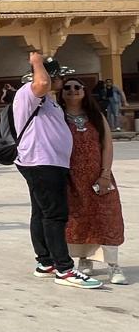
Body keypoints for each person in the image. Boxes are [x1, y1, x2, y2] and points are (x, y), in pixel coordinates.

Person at [14, 52, 101, 288]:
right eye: (59, 76)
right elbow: (41, 82)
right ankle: (64, 269)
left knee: (42, 213)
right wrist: (37, 61)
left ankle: (46, 262)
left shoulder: (48, 100)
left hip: (48, 163)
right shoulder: (30, 92)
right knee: (55, 215)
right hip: (41, 162)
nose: (62, 80)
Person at [60, 77, 127, 284]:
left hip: (99, 177)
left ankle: (113, 265)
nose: (72, 90)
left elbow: (107, 145)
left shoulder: (96, 116)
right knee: (78, 220)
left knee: (108, 218)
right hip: (72, 179)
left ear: (84, 91)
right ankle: (84, 260)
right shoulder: (58, 118)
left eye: (77, 87)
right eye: (67, 87)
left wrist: (105, 174)